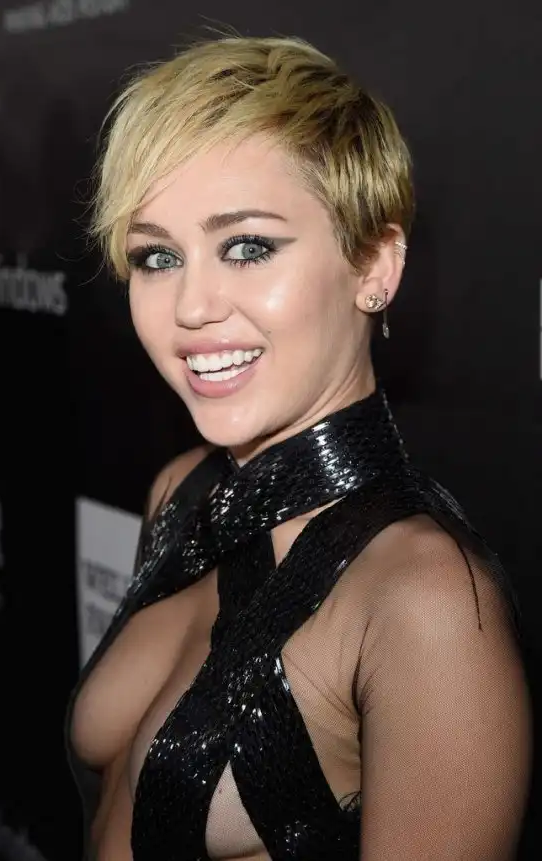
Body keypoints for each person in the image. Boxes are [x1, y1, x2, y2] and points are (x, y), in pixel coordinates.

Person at [65, 34, 533, 861]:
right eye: (157, 255)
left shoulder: (422, 600)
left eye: (247, 246)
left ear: (375, 265)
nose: (192, 306)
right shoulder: (182, 492)